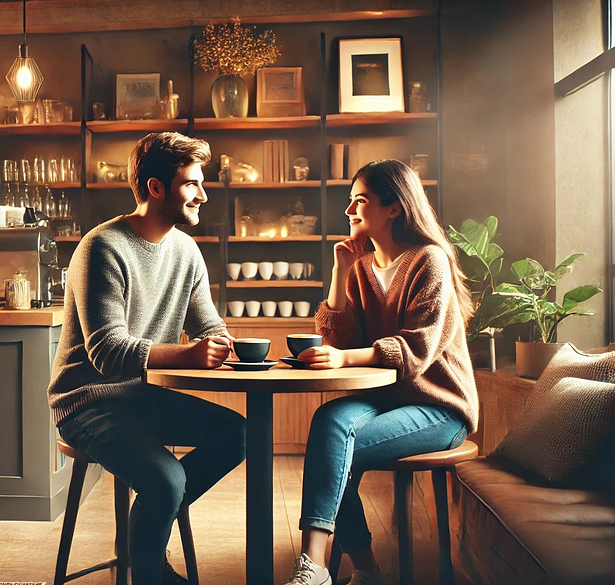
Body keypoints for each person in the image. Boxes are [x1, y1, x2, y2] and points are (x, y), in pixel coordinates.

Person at [48, 132, 246, 584]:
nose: (203, 193)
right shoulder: (103, 248)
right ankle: (150, 563)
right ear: (156, 188)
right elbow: (107, 351)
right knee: (167, 479)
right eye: (192, 184)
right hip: (87, 401)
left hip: (144, 397)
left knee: (239, 436)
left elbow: (207, 326)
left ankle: (147, 533)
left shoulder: (186, 251)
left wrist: (222, 345)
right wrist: (189, 354)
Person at [284, 159, 478, 585]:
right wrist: (340, 269)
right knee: (329, 422)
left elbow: (417, 349)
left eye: (360, 201)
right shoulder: (362, 268)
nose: (350, 211)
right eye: (350, 202)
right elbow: (338, 339)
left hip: (439, 407)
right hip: (386, 401)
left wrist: (344, 359)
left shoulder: (430, 261)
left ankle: (329, 569)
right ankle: (339, 568)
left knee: (338, 449)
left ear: (394, 207)